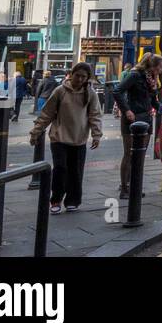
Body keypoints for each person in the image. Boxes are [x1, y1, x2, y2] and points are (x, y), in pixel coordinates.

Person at [30, 62, 102, 213]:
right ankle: (55, 200)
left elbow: (95, 115)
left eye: (84, 77)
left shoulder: (91, 94)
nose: (80, 79)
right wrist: (36, 132)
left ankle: (73, 200)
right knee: (60, 169)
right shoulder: (60, 91)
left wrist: (96, 134)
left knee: (76, 171)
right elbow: (47, 113)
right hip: (59, 137)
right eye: (78, 76)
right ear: (71, 74)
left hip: (79, 138)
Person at [114, 53, 162, 200]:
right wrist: (126, 110)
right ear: (152, 66)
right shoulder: (135, 75)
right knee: (129, 154)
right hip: (132, 119)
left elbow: (152, 100)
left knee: (140, 155)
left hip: (146, 119)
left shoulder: (151, 79)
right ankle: (124, 188)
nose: (161, 70)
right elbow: (117, 91)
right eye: (160, 67)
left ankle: (134, 186)